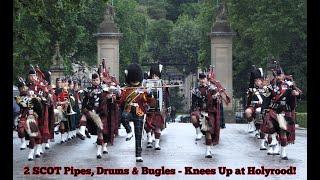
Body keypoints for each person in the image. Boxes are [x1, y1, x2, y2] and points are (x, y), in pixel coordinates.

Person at [261, 63, 300, 160]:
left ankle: (283, 152)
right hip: (273, 110)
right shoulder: (270, 86)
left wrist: (296, 94)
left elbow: (298, 93)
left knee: (282, 130)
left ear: (283, 75)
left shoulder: (289, 85)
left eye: (280, 75)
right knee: (270, 125)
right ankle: (273, 140)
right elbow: (266, 99)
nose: (279, 77)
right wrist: (264, 110)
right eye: (277, 75)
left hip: (284, 111)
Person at [119, 63, 150, 162]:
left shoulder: (142, 89)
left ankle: (138, 155)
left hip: (139, 111)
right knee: (123, 117)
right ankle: (128, 131)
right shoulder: (126, 88)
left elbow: (148, 101)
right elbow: (121, 101)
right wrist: (118, 94)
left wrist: (149, 94)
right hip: (128, 109)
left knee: (139, 134)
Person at [190, 72, 222, 158]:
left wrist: (215, 98)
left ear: (207, 80)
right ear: (199, 80)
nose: (202, 80)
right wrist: (194, 110)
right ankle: (198, 132)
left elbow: (218, 102)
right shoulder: (196, 90)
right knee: (193, 117)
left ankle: (208, 151)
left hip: (210, 112)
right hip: (200, 110)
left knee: (208, 130)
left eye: (204, 79)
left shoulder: (212, 89)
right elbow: (193, 104)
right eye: (201, 79)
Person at [143, 64, 168, 150]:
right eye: (153, 75)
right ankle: (149, 139)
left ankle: (157, 143)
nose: (154, 77)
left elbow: (164, 97)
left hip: (158, 109)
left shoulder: (161, 83)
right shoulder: (146, 83)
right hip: (149, 109)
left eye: (156, 75)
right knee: (147, 126)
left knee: (157, 126)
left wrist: (164, 88)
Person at [244, 66, 268, 150]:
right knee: (247, 112)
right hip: (253, 106)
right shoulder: (252, 89)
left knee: (259, 113)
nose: (257, 82)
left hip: (263, 108)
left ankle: (259, 130)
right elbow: (249, 100)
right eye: (256, 81)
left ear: (261, 81)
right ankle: (252, 126)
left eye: (258, 80)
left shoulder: (266, 89)